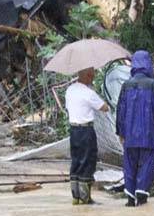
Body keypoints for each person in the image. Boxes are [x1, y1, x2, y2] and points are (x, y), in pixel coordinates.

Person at [116, 50, 154, 207]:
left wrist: (120, 132)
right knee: (147, 163)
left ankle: (130, 198)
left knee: (129, 165)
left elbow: (120, 111)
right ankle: (141, 192)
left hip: (130, 135)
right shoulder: (153, 85)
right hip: (149, 134)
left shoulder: (126, 85)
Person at [65, 67, 109, 205]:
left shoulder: (70, 90)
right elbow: (104, 107)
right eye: (93, 75)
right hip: (86, 131)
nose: (93, 78)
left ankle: (75, 196)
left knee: (76, 160)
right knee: (88, 161)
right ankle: (85, 198)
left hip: (73, 130)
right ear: (89, 76)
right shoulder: (89, 93)